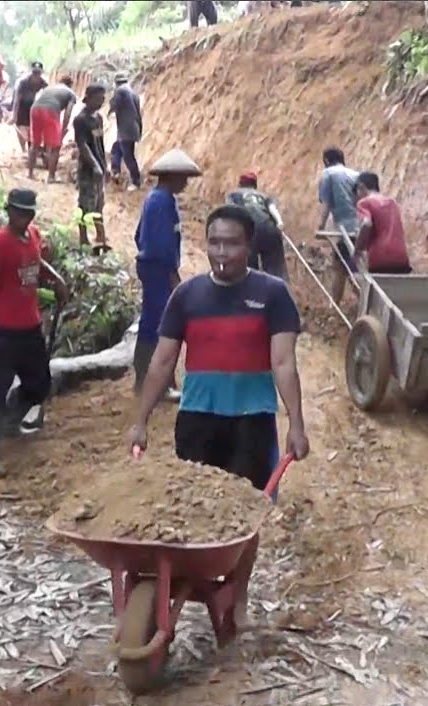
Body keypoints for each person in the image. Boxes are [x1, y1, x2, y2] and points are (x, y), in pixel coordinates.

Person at [128, 204, 309, 627]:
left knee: (245, 515)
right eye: (214, 243)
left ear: (249, 246)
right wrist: (140, 422)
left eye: (231, 243)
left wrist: (296, 424)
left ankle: (237, 597)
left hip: (252, 419)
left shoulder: (273, 295)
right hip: (197, 419)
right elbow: (162, 362)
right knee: (194, 506)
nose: (222, 252)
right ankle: (192, 581)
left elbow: (283, 362)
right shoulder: (187, 296)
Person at [0, 188, 71, 478]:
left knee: (39, 383)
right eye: (18, 212)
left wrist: (55, 280)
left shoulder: (33, 236)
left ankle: (12, 420)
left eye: (28, 213)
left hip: (30, 325)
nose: (23, 217)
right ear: (9, 212)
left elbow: (35, 263)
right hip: (3, 329)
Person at [133, 149, 202, 399]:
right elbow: (162, 245)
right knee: (161, 324)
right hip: (158, 268)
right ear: (171, 177)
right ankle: (157, 382)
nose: (185, 183)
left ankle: (147, 378)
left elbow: (138, 235)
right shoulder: (161, 202)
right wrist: (172, 274)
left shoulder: (158, 199)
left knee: (153, 321)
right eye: (183, 178)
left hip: (152, 266)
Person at [315, 147, 361, 303]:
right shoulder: (355, 174)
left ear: (326, 160)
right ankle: (338, 303)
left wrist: (320, 226)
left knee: (343, 267)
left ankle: (338, 304)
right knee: (352, 265)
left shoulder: (328, 174)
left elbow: (326, 203)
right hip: (360, 227)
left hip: (345, 229)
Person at [226, 171, 288, 281]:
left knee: (248, 267)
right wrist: (279, 222)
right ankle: (278, 287)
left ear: (240, 184)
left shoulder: (234, 195)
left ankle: (252, 287)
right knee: (275, 268)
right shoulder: (263, 196)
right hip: (269, 228)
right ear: (255, 185)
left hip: (249, 229)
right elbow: (272, 209)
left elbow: (230, 211)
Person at [73, 84, 109, 252]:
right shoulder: (81, 120)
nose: (101, 101)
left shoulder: (98, 118)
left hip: (99, 165)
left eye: (103, 98)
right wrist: (95, 166)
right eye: (98, 98)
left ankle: (101, 234)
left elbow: (99, 144)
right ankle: (83, 236)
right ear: (89, 98)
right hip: (88, 168)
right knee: (86, 203)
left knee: (99, 202)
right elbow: (83, 145)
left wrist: (105, 165)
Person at [352, 171, 411, 274]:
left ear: (361, 187)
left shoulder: (364, 203)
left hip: (380, 259)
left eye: (356, 191)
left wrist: (357, 250)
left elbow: (366, 224)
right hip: (401, 259)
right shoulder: (392, 202)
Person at [29, 78, 78, 183]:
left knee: (35, 144)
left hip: (35, 108)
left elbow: (37, 99)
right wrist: (63, 129)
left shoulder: (49, 88)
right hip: (50, 111)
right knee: (55, 147)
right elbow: (68, 113)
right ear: (70, 85)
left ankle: (30, 173)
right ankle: (51, 177)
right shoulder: (71, 93)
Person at [108, 73, 143, 191]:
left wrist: (110, 109)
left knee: (128, 156)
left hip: (126, 129)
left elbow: (114, 105)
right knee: (116, 149)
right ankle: (115, 171)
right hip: (133, 127)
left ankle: (136, 181)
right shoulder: (133, 93)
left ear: (116, 83)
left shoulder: (120, 91)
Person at [13, 62, 48, 154]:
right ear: (31, 72)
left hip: (36, 109)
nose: (36, 75)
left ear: (41, 73)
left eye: (38, 73)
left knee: (32, 130)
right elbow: (17, 99)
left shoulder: (44, 84)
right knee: (20, 128)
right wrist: (15, 114)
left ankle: (31, 149)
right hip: (22, 108)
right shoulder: (23, 82)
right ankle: (23, 149)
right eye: (34, 72)